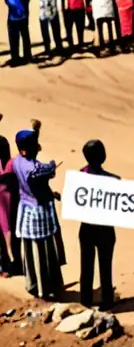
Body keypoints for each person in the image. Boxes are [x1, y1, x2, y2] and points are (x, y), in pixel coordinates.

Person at [12, 128, 63, 299]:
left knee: (30, 250)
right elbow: (49, 170)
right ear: (25, 150)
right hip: (39, 211)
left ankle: (33, 285)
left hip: (26, 209)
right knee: (43, 251)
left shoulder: (16, 161)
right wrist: (52, 164)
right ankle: (46, 289)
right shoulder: (35, 169)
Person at [79, 140, 118, 310]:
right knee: (105, 265)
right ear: (104, 157)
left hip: (86, 228)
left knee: (86, 265)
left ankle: (86, 299)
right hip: (105, 229)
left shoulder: (79, 176)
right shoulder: (113, 180)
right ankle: (107, 301)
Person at [0, 135, 16, 277]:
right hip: (7, 202)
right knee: (7, 233)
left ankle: (5, 267)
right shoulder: (11, 165)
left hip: (4, 203)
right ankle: (7, 267)